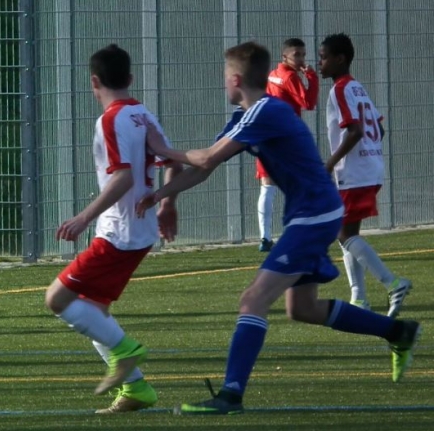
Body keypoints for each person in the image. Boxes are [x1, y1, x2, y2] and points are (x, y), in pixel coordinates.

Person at [138, 41, 420, 415]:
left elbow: (204, 158)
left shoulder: (266, 110)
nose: (224, 83)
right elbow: (206, 166)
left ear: (235, 80)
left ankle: (230, 395)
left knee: (253, 299)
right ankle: (398, 332)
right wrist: (163, 198)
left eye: (225, 77)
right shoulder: (246, 115)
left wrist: (159, 147)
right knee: (303, 308)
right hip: (314, 212)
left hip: (314, 214)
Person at [44, 44, 183, 414]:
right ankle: (136, 389)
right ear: (130, 78)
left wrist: (83, 218)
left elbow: (122, 178)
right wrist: (168, 203)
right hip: (138, 230)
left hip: (119, 233)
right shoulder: (142, 113)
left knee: (57, 298)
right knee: (93, 311)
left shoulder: (111, 120)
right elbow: (174, 162)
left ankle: (126, 351)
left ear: (94, 81)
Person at [318, 33, 412, 317]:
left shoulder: (339, 89)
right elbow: (378, 129)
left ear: (340, 59)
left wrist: (330, 163)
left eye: (324, 57)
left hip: (354, 172)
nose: (320, 63)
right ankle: (358, 298)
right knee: (349, 233)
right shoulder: (357, 87)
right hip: (370, 167)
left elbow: (355, 131)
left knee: (342, 232)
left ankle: (393, 283)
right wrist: (368, 154)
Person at [257, 38, 319, 251]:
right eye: (296, 55)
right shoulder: (290, 76)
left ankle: (265, 237)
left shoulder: (272, 74)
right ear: (284, 56)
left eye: (303, 54)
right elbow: (308, 103)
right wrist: (312, 77)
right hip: (286, 137)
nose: (301, 59)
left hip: (266, 134)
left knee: (267, 185)